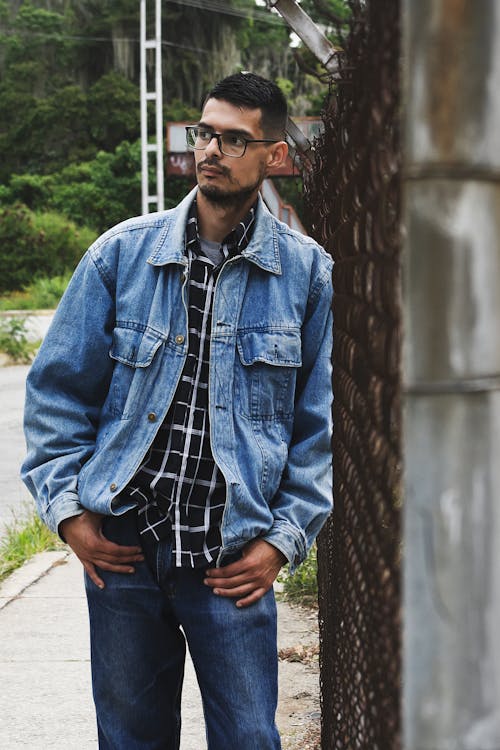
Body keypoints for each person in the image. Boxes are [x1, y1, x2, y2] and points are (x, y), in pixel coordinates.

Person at [21, 72, 333, 750]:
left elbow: (320, 426)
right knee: (132, 739)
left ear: (274, 155)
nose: (212, 149)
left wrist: (282, 541)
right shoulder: (122, 254)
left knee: (250, 738)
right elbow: (57, 392)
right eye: (205, 132)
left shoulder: (309, 277)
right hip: (125, 548)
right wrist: (68, 512)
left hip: (229, 555)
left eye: (234, 137)